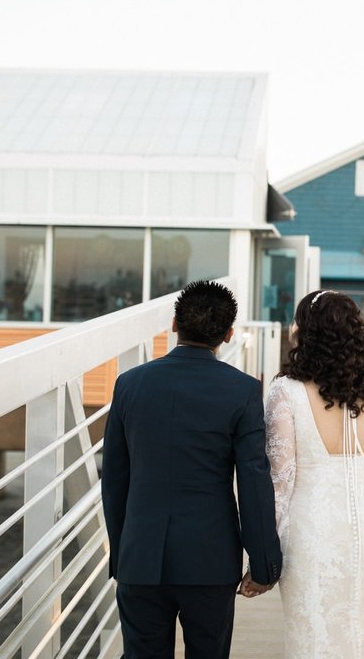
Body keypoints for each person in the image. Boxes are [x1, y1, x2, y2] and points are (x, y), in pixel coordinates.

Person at [102, 280, 281, 659]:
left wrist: (123, 554)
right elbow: (253, 481)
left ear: (173, 324)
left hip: (141, 558)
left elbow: (114, 480)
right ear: (229, 335)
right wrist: (264, 563)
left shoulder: (129, 384)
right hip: (210, 560)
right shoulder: (243, 390)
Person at [245, 289, 364, 657]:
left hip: (312, 530)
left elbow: (280, 481)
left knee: (314, 637)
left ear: (305, 332)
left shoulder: (285, 392)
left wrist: (262, 554)